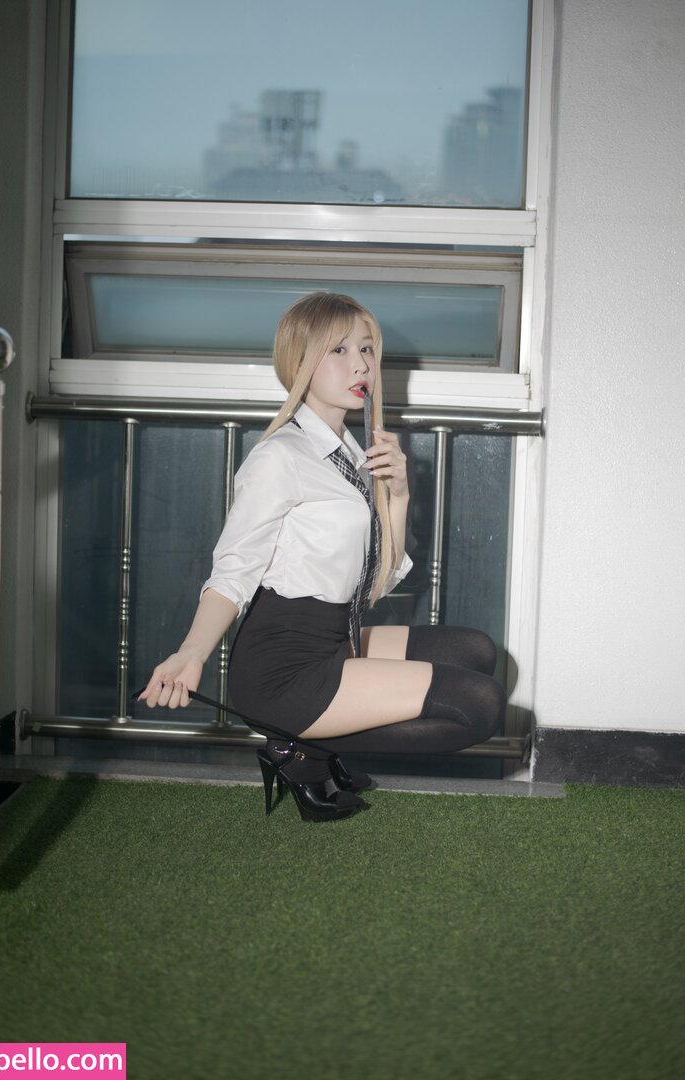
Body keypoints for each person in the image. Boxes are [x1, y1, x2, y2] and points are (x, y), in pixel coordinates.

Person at [139, 292, 506, 821]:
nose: (361, 365)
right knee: (480, 706)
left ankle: (310, 747)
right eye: (339, 350)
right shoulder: (280, 457)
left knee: (475, 651)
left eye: (366, 349)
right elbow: (234, 571)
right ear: (300, 363)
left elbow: (374, 584)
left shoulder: (351, 453)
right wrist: (192, 653)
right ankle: (297, 747)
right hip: (284, 666)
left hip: (337, 635)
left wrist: (399, 495)